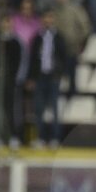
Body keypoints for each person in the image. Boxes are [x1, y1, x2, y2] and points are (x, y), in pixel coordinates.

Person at [27, 10, 68, 148]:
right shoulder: (37, 38)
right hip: (40, 76)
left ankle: (55, 138)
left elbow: (64, 56)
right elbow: (32, 59)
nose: (47, 20)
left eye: (50, 17)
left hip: (53, 76)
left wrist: (61, 73)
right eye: (45, 18)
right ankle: (40, 137)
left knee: (54, 109)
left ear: (53, 19)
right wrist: (31, 77)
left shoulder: (59, 38)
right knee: (39, 108)